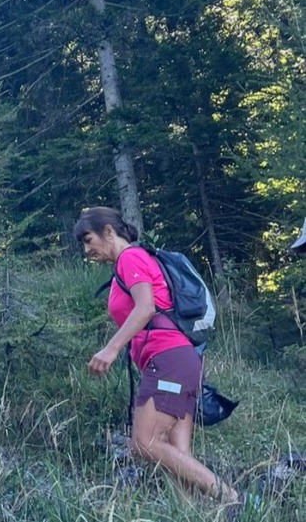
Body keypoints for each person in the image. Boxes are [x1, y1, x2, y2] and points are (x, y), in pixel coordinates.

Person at [74, 206, 241, 508]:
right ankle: (188, 515)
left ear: (108, 232)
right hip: (180, 360)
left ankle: (232, 498)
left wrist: (111, 348)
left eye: (88, 240)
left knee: (145, 442)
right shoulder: (133, 260)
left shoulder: (130, 257)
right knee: (177, 455)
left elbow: (145, 308)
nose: (87, 250)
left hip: (168, 360)